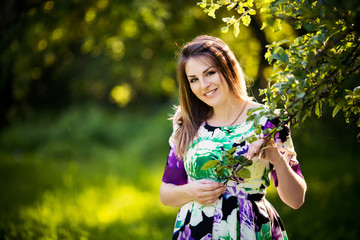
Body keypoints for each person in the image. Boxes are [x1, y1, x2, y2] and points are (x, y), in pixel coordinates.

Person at [159, 35, 306, 240]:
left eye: (210, 73)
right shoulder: (187, 123)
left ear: (227, 68)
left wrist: (276, 158)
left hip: (252, 229)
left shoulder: (269, 121)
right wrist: (191, 192)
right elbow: (166, 192)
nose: (203, 85)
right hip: (197, 231)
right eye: (194, 80)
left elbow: (296, 200)